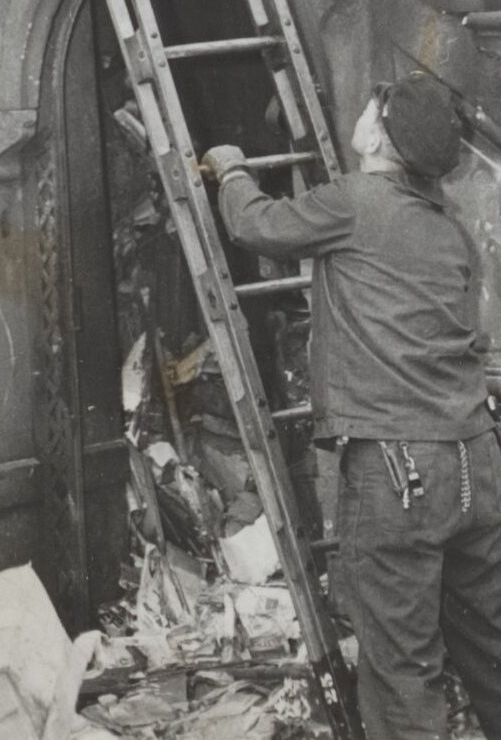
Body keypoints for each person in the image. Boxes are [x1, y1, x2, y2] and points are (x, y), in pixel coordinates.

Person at [202, 73, 501, 740]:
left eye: (371, 109)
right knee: (490, 646)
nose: (360, 115)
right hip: (475, 463)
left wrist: (231, 171)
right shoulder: (449, 228)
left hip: (398, 470)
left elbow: (257, 226)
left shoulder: (356, 200)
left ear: (382, 136)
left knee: (400, 672)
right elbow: (471, 343)